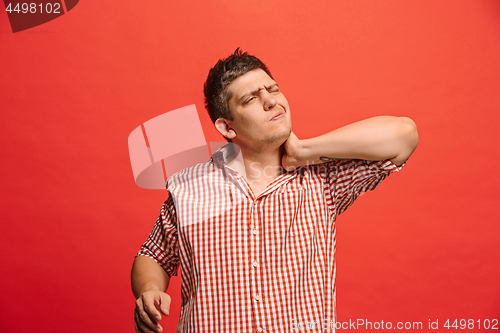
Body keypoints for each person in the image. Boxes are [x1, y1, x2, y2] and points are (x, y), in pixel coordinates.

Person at [131, 49, 419, 333]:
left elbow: (403, 136)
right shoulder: (188, 188)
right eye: (251, 99)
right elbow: (153, 254)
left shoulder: (322, 180)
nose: (271, 101)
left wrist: (304, 151)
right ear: (227, 127)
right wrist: (149, 289)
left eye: (273, 89)